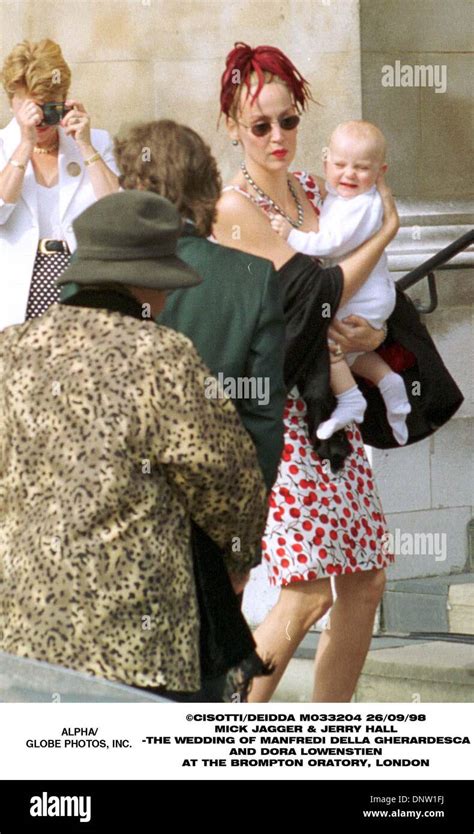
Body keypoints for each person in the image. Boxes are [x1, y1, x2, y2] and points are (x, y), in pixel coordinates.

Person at [0, 190, 270, 702]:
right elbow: (225, 475)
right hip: (134, 639)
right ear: (144, 284)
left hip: (22, 630)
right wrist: (240, 556)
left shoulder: (11, 348)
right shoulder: (161, 355)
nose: (168, 298)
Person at [214, 42, 401, 703]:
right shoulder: (234, 209)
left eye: (288, 121)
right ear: (233, 126)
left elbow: (360, 293)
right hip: (277, 416)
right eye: (259, 124)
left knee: (365, 581)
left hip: (330, 400)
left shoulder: (320, 188)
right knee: (304, 592)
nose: (276, 136)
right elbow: (317, 294)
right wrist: (386, 231)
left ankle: (327, 743)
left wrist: (375, 331)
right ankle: (228, 738)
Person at [113, 118, 286, 491]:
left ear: (131, 187)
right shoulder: (251, 278)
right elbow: (263, 418)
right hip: (211, 502)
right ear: (206, 184)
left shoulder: (90, 272)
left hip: (111, 517)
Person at [271, 119, 411, 445]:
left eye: (362, 168)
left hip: (364, 295)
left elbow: (329, 242)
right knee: (343, 346)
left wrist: (291, 235)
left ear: (380, 171)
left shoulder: (361, 204)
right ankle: (389, 384)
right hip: (365, 293)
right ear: (325, 161)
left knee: (325, 338)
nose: (348, 174)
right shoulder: (341, 195)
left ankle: (350, 397)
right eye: (339, 165)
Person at [0, 38, 119, 331]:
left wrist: (87, 148)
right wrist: (25, 146)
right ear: (11, 100)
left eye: (48, 106)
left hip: (82, 287)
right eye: (30, 106)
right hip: (16, 294)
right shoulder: (4, 147)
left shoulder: (96, 142)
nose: (40, 118)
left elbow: (118, 212)